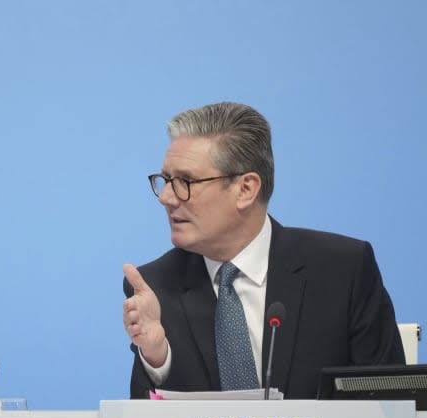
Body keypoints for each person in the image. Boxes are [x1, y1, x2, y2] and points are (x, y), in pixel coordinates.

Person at [122, 102, 404, 399]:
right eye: (165, 180)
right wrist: (156, 358)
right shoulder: (155, 286)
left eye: (185, 182)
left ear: (246, 189)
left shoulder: (343, 271)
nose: (166, 197)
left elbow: (391, 407)